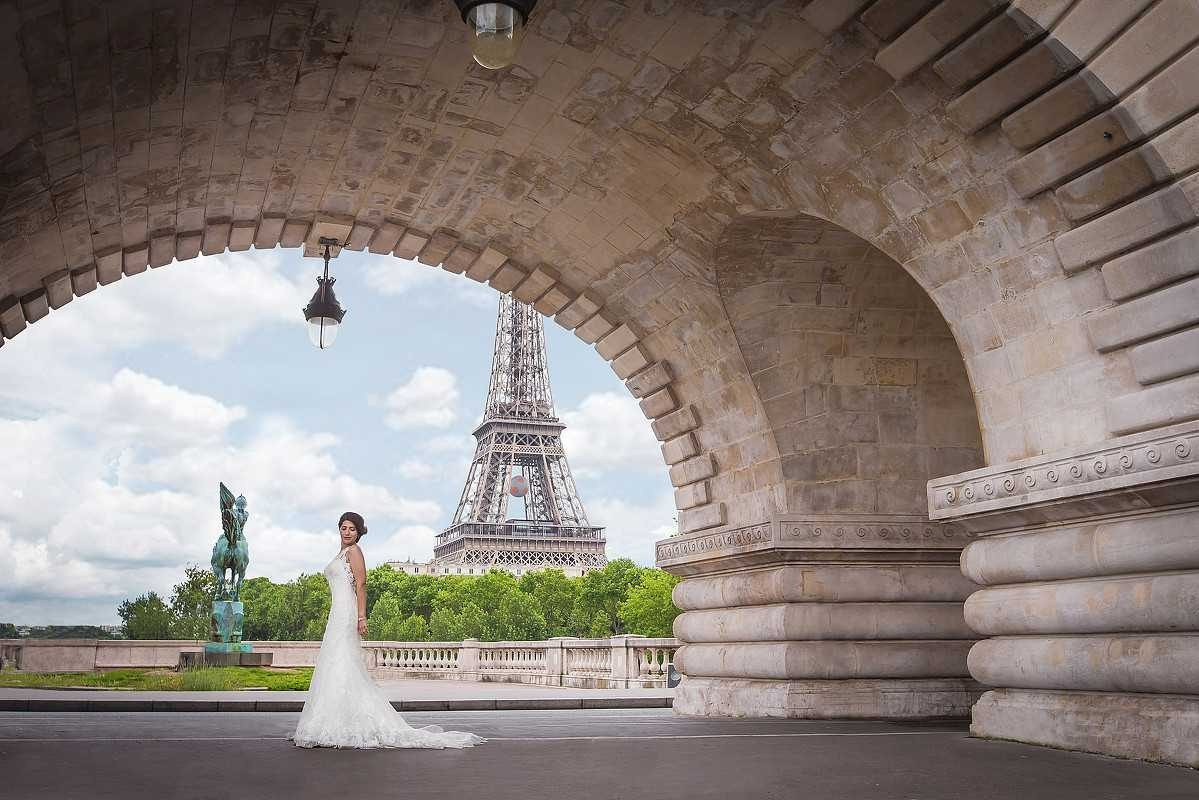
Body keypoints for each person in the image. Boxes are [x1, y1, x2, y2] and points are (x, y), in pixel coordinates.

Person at [290, 511, 484, 749]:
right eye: (344, 528)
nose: (347, 532)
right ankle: (330, 721)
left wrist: (361, 616)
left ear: (359, 532)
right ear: (339, 529)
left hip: (347, 613)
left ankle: (335, 723)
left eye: (352, 528)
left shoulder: (354, 552)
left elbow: (361, 585)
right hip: (336, 613)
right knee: (335, 663)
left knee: (342, 663)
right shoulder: (341, 553)